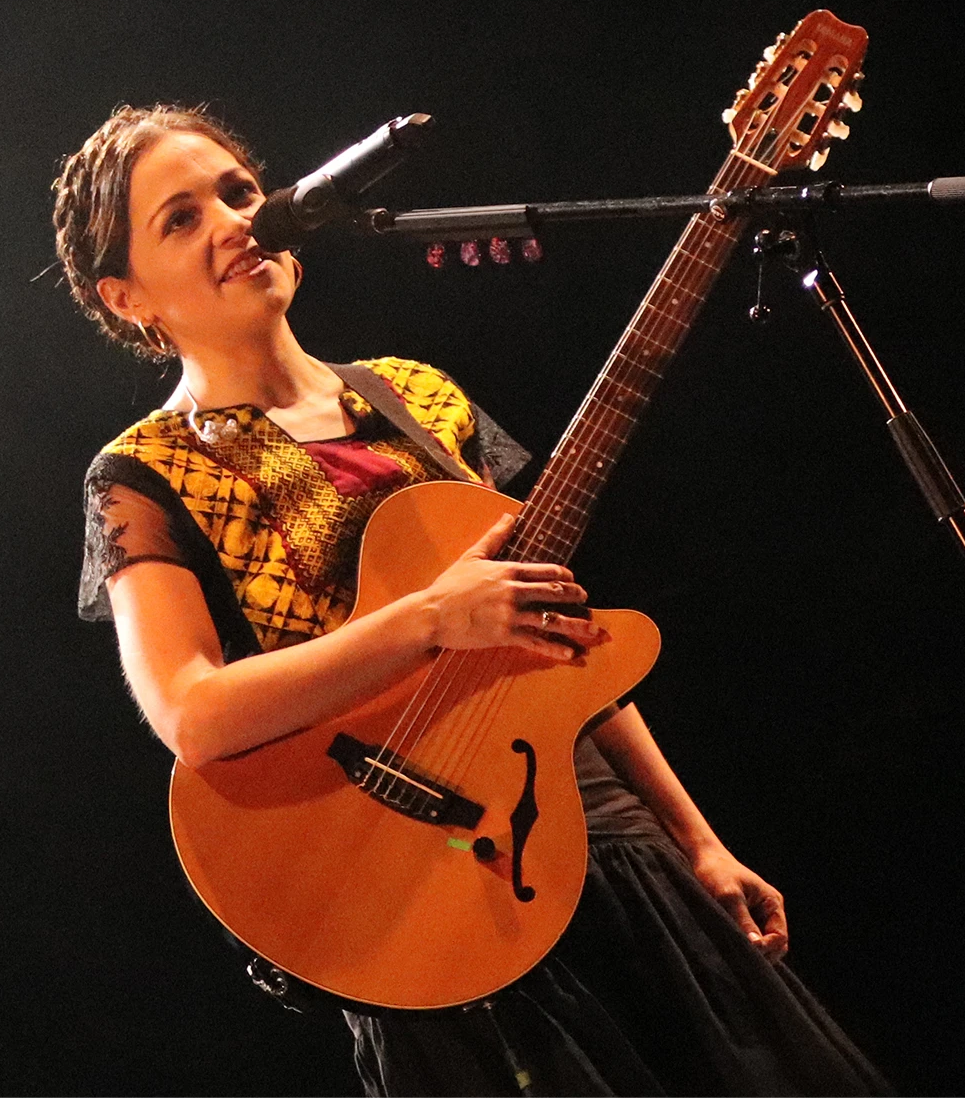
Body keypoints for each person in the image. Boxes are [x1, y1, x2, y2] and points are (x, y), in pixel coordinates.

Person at [52, 103, 890, 1097]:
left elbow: (554, 631)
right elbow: (191, 713)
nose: (237, 223)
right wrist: (427, 619)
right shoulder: (143, 472)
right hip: (414, 890)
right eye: (181, 219)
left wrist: (697, 840)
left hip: (599, 829)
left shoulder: (418, 395)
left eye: (239, 192)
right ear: (125, 298)